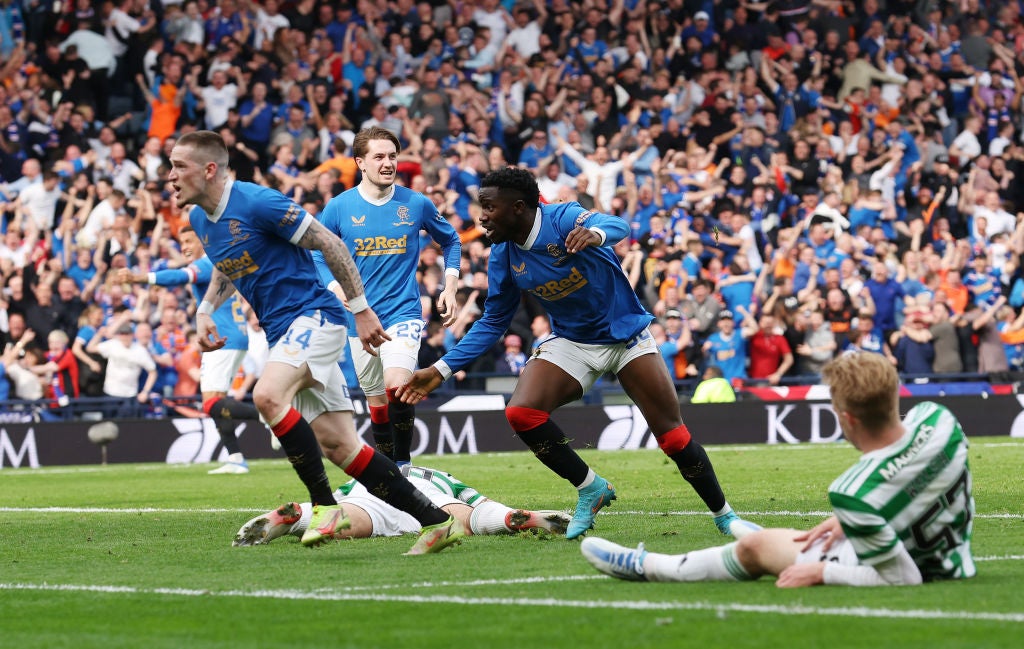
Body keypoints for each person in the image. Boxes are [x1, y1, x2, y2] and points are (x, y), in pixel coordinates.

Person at [397, 167, 757, 540]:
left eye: (489, 207)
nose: (481, 216)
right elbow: (493, 322)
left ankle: (725, 515)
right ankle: (590, 487)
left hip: (625, 337)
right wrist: (440, 369)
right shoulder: (503, 255)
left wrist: (596, 234)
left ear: (518, 208)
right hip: (572, 342)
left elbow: (619, 225)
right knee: (522, 413)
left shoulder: (563, 218)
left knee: (673, 438)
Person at [169, 130, 464, 555]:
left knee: (268, 396)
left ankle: (326, 507)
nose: (171, 177)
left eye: (180, 167)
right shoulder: (201, 218)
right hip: (284, 331)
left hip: (316, 318)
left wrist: (360, 310)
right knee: (341, 446)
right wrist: (203, 310)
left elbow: (328, 243)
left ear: (209, 169)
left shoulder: (257, 201)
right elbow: (225, 264)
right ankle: (436, 521)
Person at [581, 352, 976, 587]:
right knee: (793, 538)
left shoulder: (854, 491)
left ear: (846, 419)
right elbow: (915, 472)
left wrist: (824, 572)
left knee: (756, 548)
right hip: (953, 555)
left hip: (918, 565)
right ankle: (748, 530)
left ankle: (651, 567)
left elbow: (904, 579)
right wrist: (850, 519)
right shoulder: (938, 419)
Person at [315, 127, 461, 466]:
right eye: (379, 157)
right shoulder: (339, 208)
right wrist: (336, 291)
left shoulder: (415, 203)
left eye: (392, 156)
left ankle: (403, 467)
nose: (387, 163)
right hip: (358, 318)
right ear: (360, 163)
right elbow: (317, 255)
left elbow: (452, 240)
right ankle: (388, 470)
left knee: (398, 387)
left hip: (403, 312)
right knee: (377, 402)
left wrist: (449, 284)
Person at [118, 225, 261, 475]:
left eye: (188, 241)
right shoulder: (220, 263)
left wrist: (143, 277)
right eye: (180, 241)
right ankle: (236, 457)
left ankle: (268, 416)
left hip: (221, 337)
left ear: (203, 241)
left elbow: (180, 277)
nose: (183, 247)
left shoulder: (208, 263)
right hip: (230, 336)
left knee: (212, 403)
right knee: (216, 401)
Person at [233, 465, 570, 546]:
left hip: (370, 495)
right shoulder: (441, 475)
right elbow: (477, 502)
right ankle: (513, 518)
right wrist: (497, 510)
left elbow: (336, 498)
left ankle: (294, 517)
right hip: (430, 496)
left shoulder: (369, 471)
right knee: (468, 520)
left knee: (343, 518)